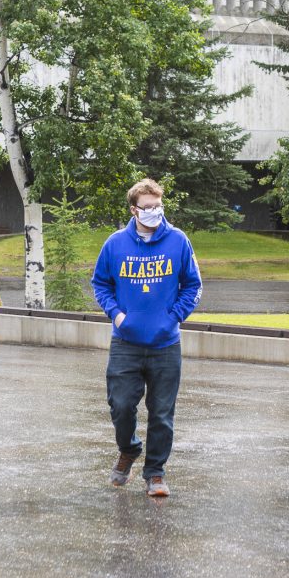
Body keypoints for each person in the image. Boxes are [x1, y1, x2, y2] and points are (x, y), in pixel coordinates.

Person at [91, 178, 202, 498]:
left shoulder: (178, 241)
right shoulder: (115, 244)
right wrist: (117, 314)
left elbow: (193, 286)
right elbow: (101, 284)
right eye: (148, 207)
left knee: (162, 412)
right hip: (125, 343)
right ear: (133, 210)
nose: (155, 212)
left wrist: (173, 317)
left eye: (158, 206)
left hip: (165, 344)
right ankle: (128, 449)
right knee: (121, 405)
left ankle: (155, 472)